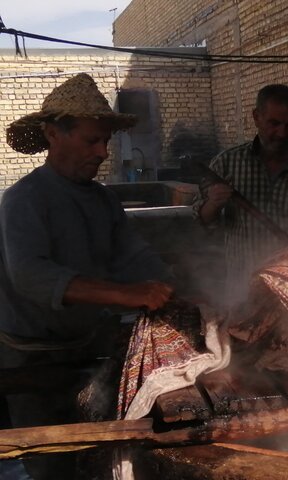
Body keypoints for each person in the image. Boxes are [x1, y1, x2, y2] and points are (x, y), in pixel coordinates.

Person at [0, 73, 174, 479]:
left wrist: (173, 288)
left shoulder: (103, 200)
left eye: (105, 141)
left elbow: (134, 255)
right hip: (32, 359)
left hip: (91, 351)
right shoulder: (23, 200)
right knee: (50, 461)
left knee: (101, 456)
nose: (101, 151)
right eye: (90, 140)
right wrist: (128, 295)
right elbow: (32, 275)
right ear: (52, 135)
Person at [194, 84, 288, 301]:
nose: (282, 133)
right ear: (256, 117)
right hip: (241, 286)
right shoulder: (227, 164)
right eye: (274, 124)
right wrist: (213, 203)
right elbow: (201, 220)